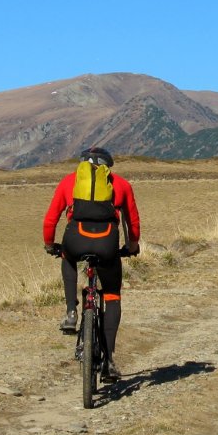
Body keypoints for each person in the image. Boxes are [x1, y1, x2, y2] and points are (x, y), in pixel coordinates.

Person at [42, 147, 140, 380]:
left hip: (75, 239)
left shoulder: (69, 182)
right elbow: (132, 222)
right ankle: (108, 360)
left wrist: (49, 245)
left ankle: (71, 313)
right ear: (108, 166)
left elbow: (50, 219)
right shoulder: (121, 184)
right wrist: (132, 246)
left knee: (67, 258)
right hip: (107, 243)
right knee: (112, 295)